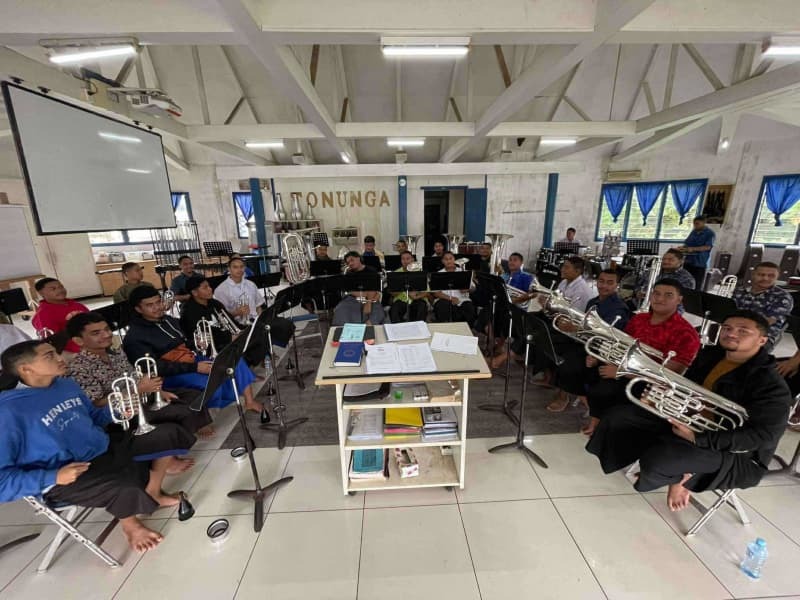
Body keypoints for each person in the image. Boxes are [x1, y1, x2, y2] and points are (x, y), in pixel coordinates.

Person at [586, 310, 792, 512]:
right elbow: (685, 387)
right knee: (619, 417)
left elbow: (763, 436)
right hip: (689, 421)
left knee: (660, 458)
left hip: (734, 452)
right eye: (727, 328)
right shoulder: (710, 355)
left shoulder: (771, 385)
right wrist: (660, 400)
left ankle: (680, 477)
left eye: (743, 331)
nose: (731, 333)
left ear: (762, 341)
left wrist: (697, 438)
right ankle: (668, 469)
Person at [0, 341, 193, 553]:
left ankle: (153, 492)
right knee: (124, 483)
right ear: (26, 369)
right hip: (64, 473)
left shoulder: (66, 385)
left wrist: (118, 410)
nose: (61, 358)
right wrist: (54, 477)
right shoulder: (8, 411)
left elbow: (93, 417)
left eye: (56, 352)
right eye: (49, 356)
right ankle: (130, 525)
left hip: (102, 447)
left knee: (166, 434)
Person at [66, 311, 213, 439]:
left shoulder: (116, 353)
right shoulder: (79, 368)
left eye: (107, 329)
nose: (107, 335)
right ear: (78, 340)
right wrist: (137, 390)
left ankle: (195, 427)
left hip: (142, 396)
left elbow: (134, 375)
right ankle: (169, 452)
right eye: (96, 333)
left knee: (192, 395)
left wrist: (159, 391)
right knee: (181, 411)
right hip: (123, 412)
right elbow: (96, 403)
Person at [583, 279, 701, 435]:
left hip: (650, 383)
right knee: (585, 368)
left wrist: (623, 372)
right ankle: (597, 420)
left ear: (679, 300)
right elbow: (621, 346)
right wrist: (600, 357)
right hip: (625, 368)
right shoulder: (639, 319)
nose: (660, 298)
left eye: (668, 295)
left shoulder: (686, 333)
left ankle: (606, 427)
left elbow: (672, 374)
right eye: (656, 293)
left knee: (604, 389)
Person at [123, 286, 261, 412]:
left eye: (158, 302)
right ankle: (206, 415)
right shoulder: (134, 337)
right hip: (168, 376)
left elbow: (181, 342)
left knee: (233, 358)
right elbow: (154, 368)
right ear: (138, 309)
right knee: (209, 382)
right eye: (149, 305)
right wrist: (195, 367)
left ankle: (249, 401)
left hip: (190, 361)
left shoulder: (168, 320)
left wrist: (195, 343)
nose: (157, 307)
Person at [546, 269, 631, 413]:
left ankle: (565, 396)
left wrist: (575, 328)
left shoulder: (619, 308)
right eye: (601, 281)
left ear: (617, 285)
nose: (604, 286)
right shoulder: (593, 301)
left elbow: (606, 336)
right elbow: (584, 323)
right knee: (551, 343)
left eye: (610, 283)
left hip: (601, 349)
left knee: (568, 361)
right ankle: (555, 383)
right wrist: (569, 325)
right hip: (586, 341)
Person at [181, 277, 292, 369]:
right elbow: (200, 335)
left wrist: (243, 329)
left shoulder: (214, 303)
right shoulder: (189, 311)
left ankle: (251, 367)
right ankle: (246, 371)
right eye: (205, 288)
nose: (210, 289)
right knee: (249, 341)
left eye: (209, 286)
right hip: (213, 345)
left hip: (229, 336)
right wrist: (229, 337)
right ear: (194, 292)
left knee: (261, 331)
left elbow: (230, 321)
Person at [732, 262, 794, 350]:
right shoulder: (739, 291)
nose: (765, 278)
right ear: (753, 274)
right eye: (761, 274)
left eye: (771, 276)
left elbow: (767, 321)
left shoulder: (782, 296)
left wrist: (738, 328)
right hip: (733, 331)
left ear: (777, 277)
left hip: (762, 337)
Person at [31, 278, 88, 354]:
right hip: (73, 351)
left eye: (61, 287)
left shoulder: (77, 305)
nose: (60, 290)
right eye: (53, 289)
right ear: (41, 293)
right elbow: (53, 342)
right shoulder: (43, 314)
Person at [332, 252, 386, 326]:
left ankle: (367, 328)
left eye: (352, 260)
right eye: (348, 262)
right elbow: (350, 292)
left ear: (358, 258)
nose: (350, 263)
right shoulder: (349, 274)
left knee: (378, 312)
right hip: (353, 299)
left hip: (371, 298)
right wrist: (363, 293)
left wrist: (368, 302)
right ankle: (346, 330)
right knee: (340, 309)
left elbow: (374, 290)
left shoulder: (371, 271)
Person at [214, 257, 264, 325]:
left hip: (255, 322)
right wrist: (237, 312)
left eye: (241, 267)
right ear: (229, 269)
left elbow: (258, 306)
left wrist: (260, 321)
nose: (239, 270)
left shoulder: (251, 284)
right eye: (235, 267)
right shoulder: (221, 290)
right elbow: (222, 316)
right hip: (237, 325)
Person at [432, 252, 476, 325]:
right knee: (443, 306)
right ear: (442, 261)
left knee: (469, 308)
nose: (448, 261)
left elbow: (473, 288)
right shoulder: (439, 273)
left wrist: (468, 289)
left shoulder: (463, 272)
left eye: (450, 258)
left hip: (462, 299)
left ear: (454, 260)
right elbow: (436, 293)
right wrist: (451, 298)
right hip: (445, 299)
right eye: (446, 259)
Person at [389, 251, 429, 323]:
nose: (405, 261)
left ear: (412, 260)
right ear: (401, 261)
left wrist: (416, 297)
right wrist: (402, 286)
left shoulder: (419, 272)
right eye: (403, 259)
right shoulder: (396, 273)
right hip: (401, 300)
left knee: (421, 306)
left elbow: (427, 292)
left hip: (417, 299)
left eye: (408, 259)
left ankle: (419, 328)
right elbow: (393, 293)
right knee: (395, 308)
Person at [679, 216, 715, 290]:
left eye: (697, 224)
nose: (695, 225)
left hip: (700, 262)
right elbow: (687, 243)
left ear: (704, 223)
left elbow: (708, 247)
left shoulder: (710, 233)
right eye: (694, 224)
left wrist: (692, 249)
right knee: (685, 281)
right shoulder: (694, 232)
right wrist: (683, 248)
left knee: (697, 284)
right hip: (688, 261)